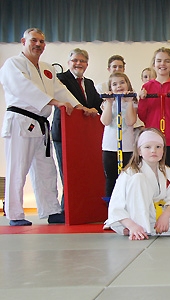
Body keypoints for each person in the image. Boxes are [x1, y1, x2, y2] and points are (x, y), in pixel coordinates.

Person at [0, 28, 94, 226]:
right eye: (34, 40)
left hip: (41, 125)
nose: (38, 45)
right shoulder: (13, 64)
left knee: (46, 169)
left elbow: (61, 90)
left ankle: (51, 210)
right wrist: (51, 101)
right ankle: (14, 214)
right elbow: (21, 88)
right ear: (23, 41)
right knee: (18, 169)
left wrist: (79, 106)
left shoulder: (46, 68)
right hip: (20, 121)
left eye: (42, 42)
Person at [104, 128, 170, 239]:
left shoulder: (167, 172)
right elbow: (116, 206)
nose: (153, 151)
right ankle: (137, 229)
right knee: (138, 179)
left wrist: (165, 216)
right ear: (139, 151)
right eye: (147, 147)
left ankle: (145, 229)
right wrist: (132, 225)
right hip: (130, 218)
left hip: (153, 215)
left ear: (163, 150)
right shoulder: (129, 173)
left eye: (158, 147)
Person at [52, 48, 102, 211]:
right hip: (64, 133)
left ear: (87, 64)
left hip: (83, 134)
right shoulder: (61, 79)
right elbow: (67, 98)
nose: (78, 63)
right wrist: (84, 109)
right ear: (69, 63)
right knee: (68, 174)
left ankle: (81, 210)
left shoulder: (89, 83)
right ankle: (66, 210)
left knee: (81, 173)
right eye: (75, 60)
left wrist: (97, 109)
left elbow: (95, 104)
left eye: (82, 61)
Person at [138, 47, 170, 187]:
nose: (163, 64)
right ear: (154, 64)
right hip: (152, 140)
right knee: (150, 177)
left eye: (167, 61)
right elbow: (142, 116)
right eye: (159, 61)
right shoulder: (147, 86)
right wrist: (142, 100)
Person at [100, 72, 137, 198]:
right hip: (110, 147)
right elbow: (105, 121)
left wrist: (129, 102)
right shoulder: (107, 103)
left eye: (122, 82)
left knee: (128, 178)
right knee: (111, 178)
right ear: (110, 88)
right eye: (114, 84)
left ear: (128, 84)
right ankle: (111, 209)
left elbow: (131, 121)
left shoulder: (132, 103)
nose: (119, 86)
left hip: (127, 147)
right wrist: (109, 103)